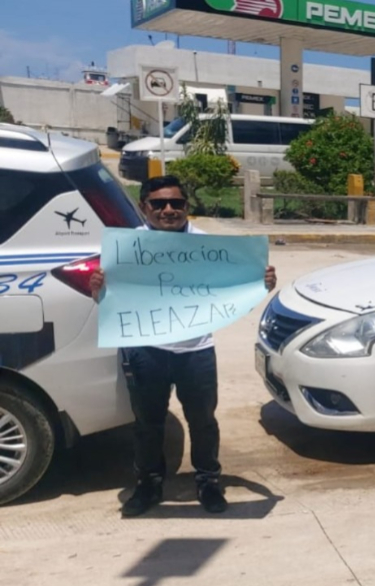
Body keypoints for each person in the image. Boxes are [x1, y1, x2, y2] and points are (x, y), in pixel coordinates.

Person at [89, 175, 277, 516]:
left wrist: (259, 285)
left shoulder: (209, 248)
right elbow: (106, 298)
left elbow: (233, 296)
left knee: (203, 421)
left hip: (196, 351)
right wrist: (98, 287)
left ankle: (208, 482)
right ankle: (148, 485)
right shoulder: (126, 249)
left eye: (177, 203)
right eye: (159, 204)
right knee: (148, 424)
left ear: (187, 207)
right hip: (145, 350)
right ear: (145, 207)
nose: (169, 210)